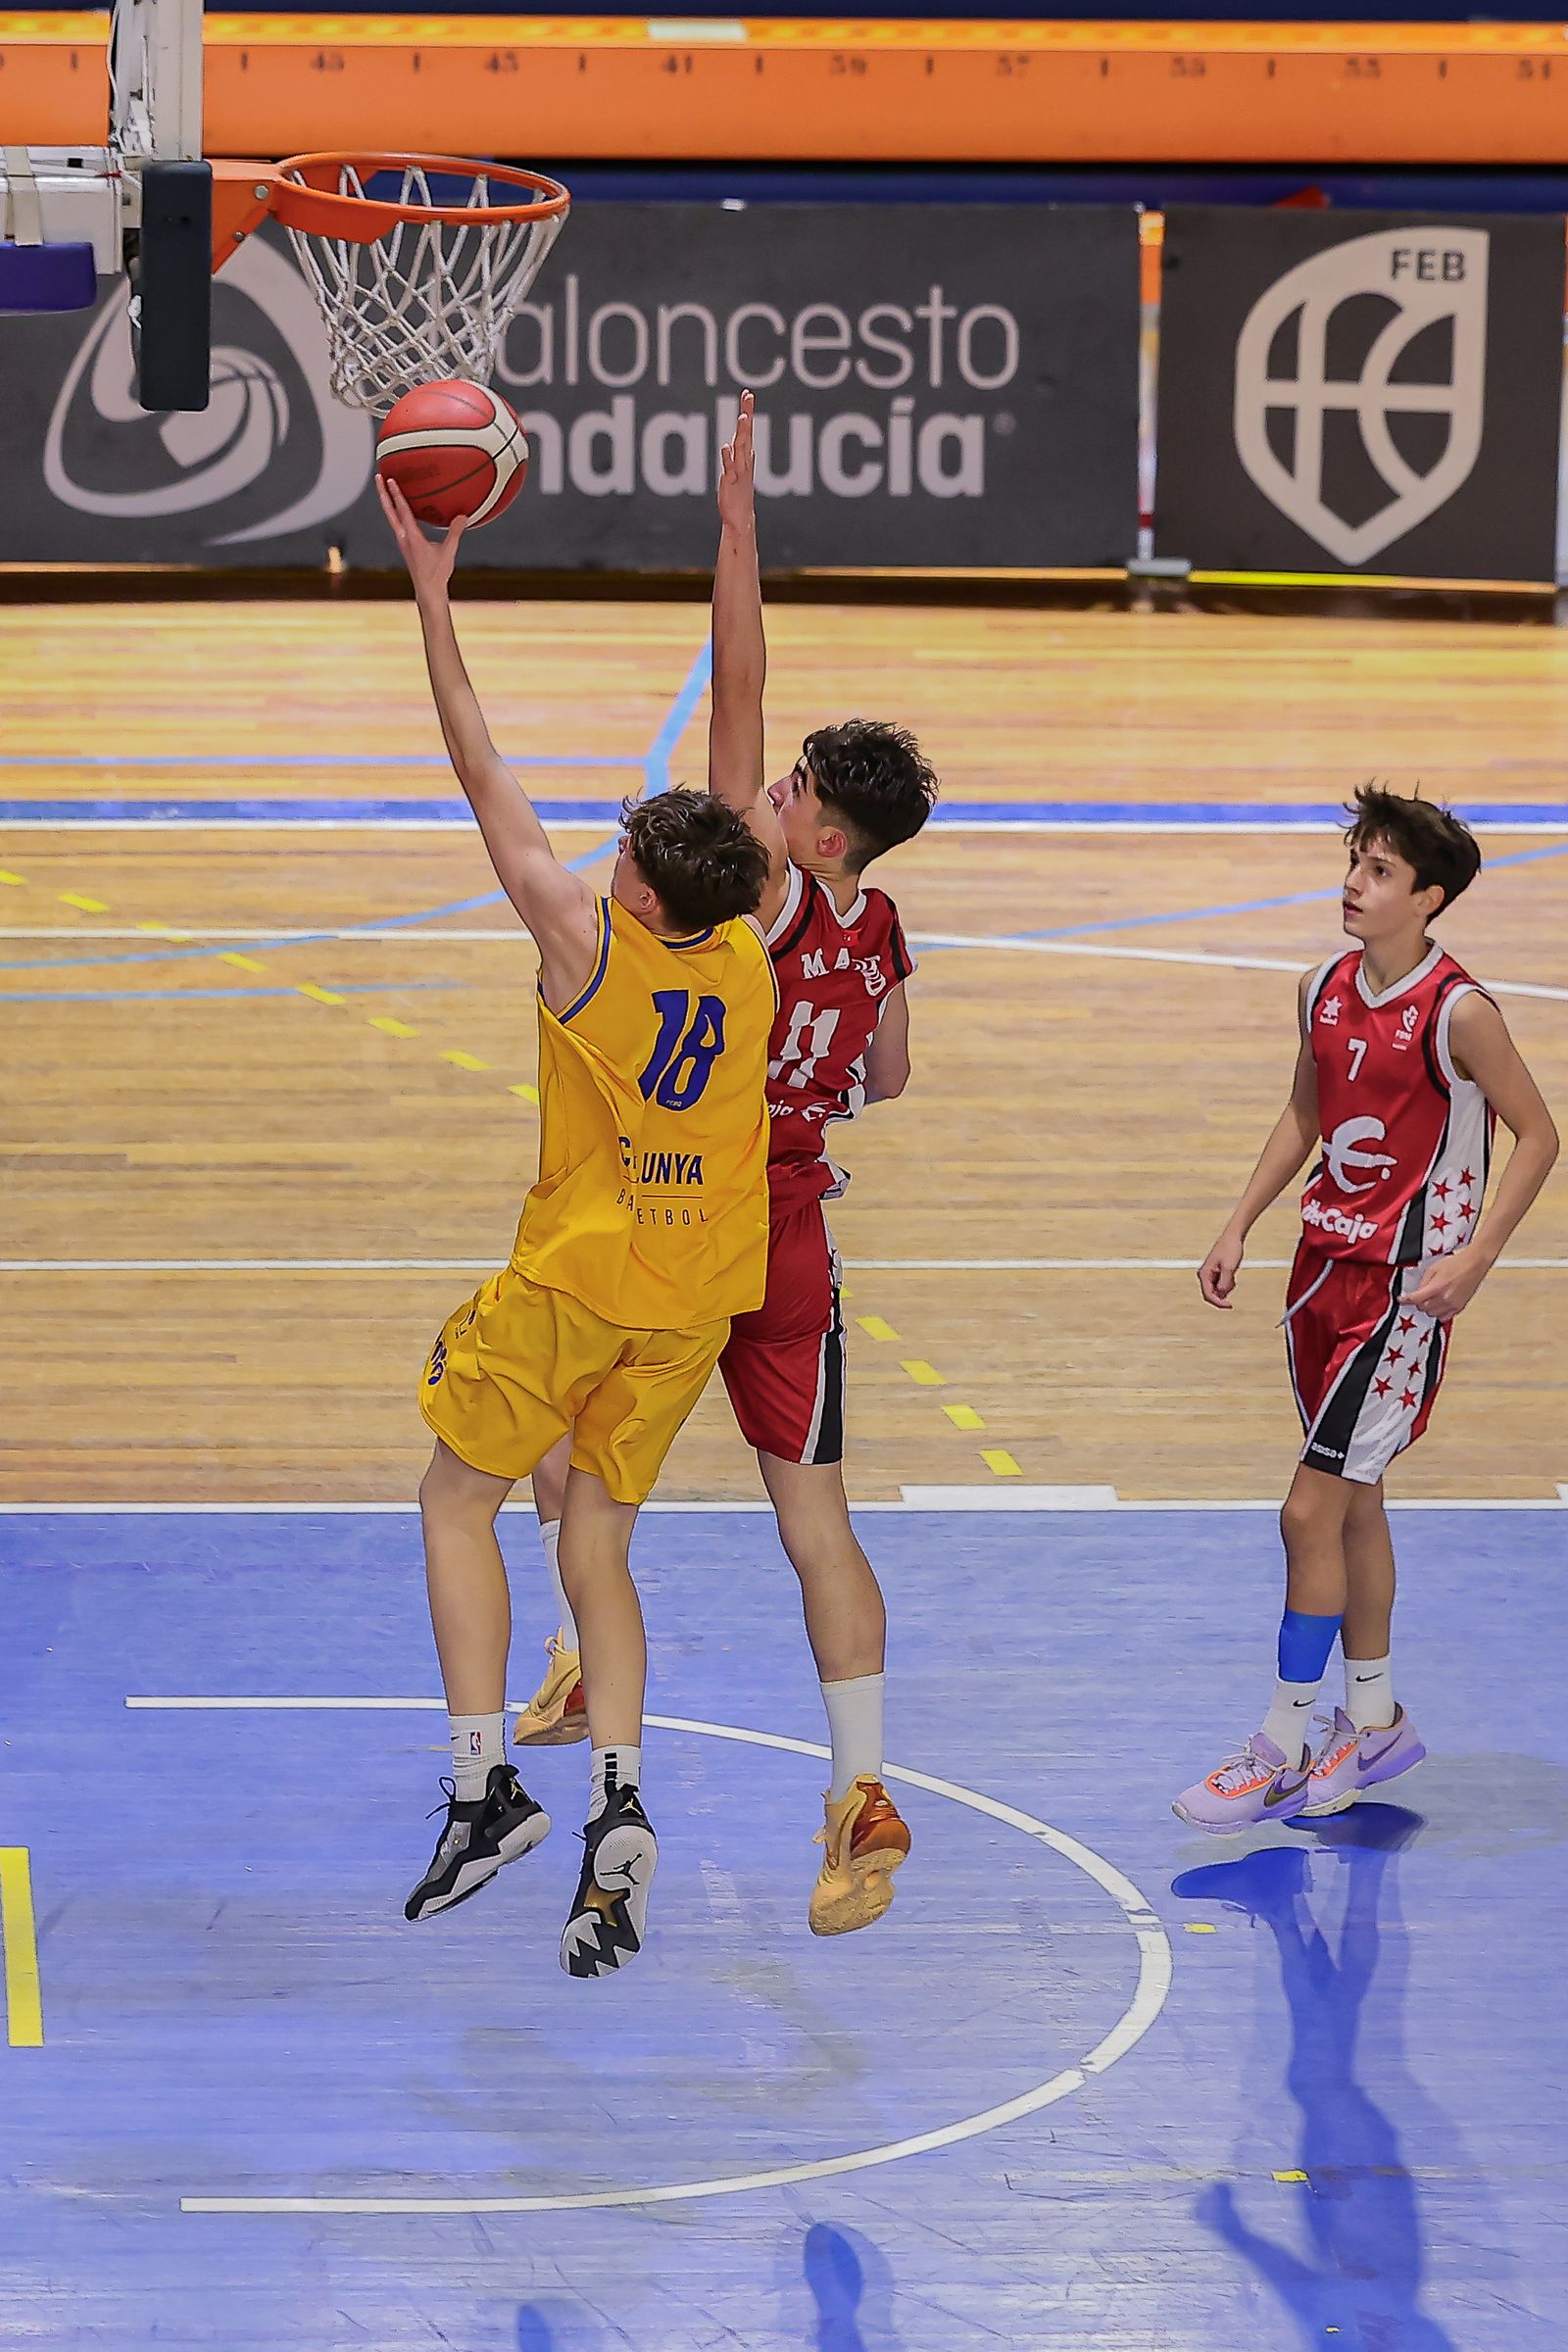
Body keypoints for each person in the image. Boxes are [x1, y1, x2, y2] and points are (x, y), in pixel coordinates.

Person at [514, 393, 939, 1936]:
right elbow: (888, 1078)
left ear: (817, 841)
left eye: (797, 791)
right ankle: (861, 1789)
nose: (774, 791)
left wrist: (738, 526)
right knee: (816, 1520)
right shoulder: (877, 928)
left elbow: (737, 683)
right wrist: (816, 1076)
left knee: (550, 1428)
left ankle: (580, 1662)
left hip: (683, 1225)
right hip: (799, 1234)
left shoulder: (761, 896)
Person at [378, 475, 776, 1976]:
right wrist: (737, 536)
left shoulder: (585, 949)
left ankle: (483, 1793)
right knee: (597, 1541)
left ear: (647, 896)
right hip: (694, 1301)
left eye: (625, 857)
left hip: (579, 1282)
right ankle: (618, 1801)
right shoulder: (747, 949)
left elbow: (477, 763)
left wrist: (434, 593)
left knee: (454, 1502)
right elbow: (739, 737)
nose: (606, 861)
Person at [1177, 785, 1558, 1832]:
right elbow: (1303, 1114)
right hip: (1320, 1274)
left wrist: (1477, 1257)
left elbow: (1538, 1133)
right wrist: (1238, 1222)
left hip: (1402, 1293)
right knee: (1354, 1504)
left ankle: (1280, 1741)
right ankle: (1377, 1719)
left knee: (1306, 1511)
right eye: (1355, 862)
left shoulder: (1460, 1012)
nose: (1354, 883)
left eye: (1380, 870)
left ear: (1428, 897)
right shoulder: (1320, 989)